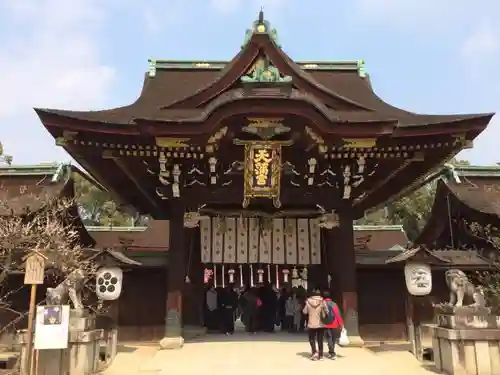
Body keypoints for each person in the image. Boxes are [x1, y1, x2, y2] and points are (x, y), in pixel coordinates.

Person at [302, 288, 327, 360]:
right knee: (320, 340)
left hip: (311, 323)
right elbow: (326, 311)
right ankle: (321, 355)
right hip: (321, 324)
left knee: (312, 339)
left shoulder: (308, 301)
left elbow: (304, 312)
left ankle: (314, 353)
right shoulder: (322, 301)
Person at [322, 290, 344, 359]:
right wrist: (341, 323)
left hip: (325, 324)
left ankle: (331, 352)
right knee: (333, 338)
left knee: (329, 338)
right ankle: (332, 352)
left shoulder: (322, 304)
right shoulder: (334, 304)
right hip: (334, 323)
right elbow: (337, 314)